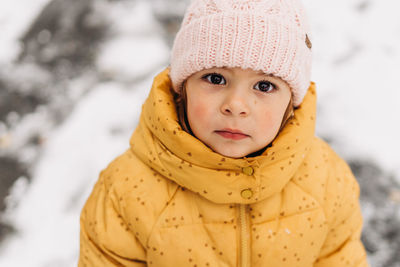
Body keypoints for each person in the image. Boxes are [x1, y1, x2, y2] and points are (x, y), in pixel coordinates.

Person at [79, 0, 369, 266]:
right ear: (183, 89)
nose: (236, 106)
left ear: (291, 103)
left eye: (264, 86)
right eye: (216, 78)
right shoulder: (125, 192)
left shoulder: (327, 180)